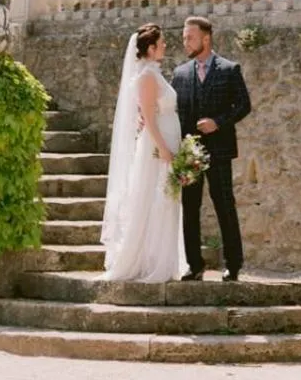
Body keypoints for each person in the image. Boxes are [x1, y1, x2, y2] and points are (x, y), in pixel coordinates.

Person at [101, 24, 188, 283]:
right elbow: (149, 118)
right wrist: (162, 147)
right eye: (161, 43)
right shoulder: (147, 77)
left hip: (166, 141)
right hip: (156, 146)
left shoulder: (154, 74)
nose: (165, 46)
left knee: (165, 200)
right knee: (156, 198)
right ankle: (150, 261)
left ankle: (162, 258)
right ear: (150, 48)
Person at [172, 15, 251, 282]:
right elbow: (174, 113)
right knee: (189, 207)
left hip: (220, 151)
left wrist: (218, 122)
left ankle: (233, 264)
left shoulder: (230, 69)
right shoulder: (180, 74)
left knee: (224, 206)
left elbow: (243, 106)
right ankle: (194, 265)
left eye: (190, 37)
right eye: (184, 37)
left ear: (206, 38)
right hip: (189, 152)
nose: (185, 42)